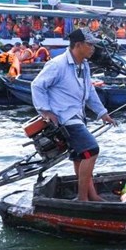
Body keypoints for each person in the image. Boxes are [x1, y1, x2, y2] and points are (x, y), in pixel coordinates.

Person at [31, 29, 116, 201]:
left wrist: (102, 113)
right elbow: (37, 86)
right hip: (65, 118)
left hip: (78, 116)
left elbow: (90, 91)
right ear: (78, 45)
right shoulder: (58, 64)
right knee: (91, 151)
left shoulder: (83, 65)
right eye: (89, 44)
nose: (93, 48)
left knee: (80, 156)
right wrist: (46, 111)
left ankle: (91, 195)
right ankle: (82, 198)